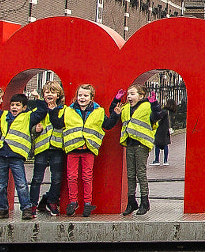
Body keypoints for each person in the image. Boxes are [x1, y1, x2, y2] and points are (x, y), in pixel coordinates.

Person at [108, 84, 157, 217]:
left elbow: (157, 116)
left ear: (141, 96)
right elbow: (113, 111)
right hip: (129, 143)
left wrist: (155, 104)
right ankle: (131, 202)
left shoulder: (147, 106)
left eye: (132, 94)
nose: (129, 96)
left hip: (141, 144)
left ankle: (144, 202)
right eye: (128, 94)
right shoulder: (126, 108)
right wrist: (115, 99)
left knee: (140, 173)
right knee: (130, 174)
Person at [59, 82, 107, 218]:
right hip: (73, 148)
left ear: (91, 97)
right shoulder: (68, 110)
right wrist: (52, 110)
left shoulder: (99, 111)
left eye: (86, 95)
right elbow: (58, 123)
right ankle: (73, 202)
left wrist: (115, 113)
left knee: (87, 177)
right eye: (80, 95)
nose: (82, 98)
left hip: (88, 149)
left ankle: (87, 203)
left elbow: (108, 124)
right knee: (71, 177)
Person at [0, 91, 35, 219]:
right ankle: (2, 209)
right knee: (0, 184)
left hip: (16, 155)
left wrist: (38, 99)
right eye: (12, 105)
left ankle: (26, 208)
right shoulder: (4, 115)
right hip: (2, 154)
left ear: (24, 107)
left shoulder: (28, 117)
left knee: (21, 183)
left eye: (17, 105)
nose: (14, 107)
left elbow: (40, 112)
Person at [28, 81, 68, 216]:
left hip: (57, 147)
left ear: (59, 95)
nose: (49, 94)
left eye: (53, 92)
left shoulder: (64, 110)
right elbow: (29, 127)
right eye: (46, 92)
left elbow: (63, 125)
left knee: (57, 178)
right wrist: (35, 129)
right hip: (41, 148)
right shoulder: (38, 110)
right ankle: (32, 204)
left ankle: (51, 200)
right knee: (37, 178)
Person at [150, 92, 172, 166]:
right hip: (165, 129)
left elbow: (157, 118)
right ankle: (165, 161)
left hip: (160, 129)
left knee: (157, 144)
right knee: (165, 144)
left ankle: (157, 160)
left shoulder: (163, 111)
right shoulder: (167, 111)